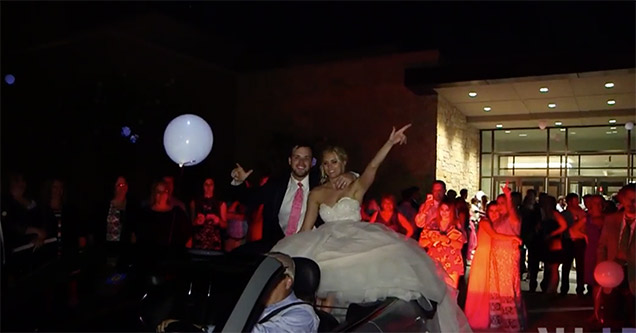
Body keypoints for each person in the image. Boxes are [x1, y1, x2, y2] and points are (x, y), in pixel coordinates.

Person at [271, 125, 471, 332]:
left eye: (335, 162)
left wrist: (390, 143)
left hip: (356, 241)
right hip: (326, 242)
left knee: (343, 298)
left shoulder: (355, 186)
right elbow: (305, 228)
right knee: (321, 294)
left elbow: (373, 167)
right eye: (326, 163)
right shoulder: (317, 193)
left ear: (343, 163)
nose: (330, 167)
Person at [230, 143, 357, 253]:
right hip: (277, 246)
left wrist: (352, 175)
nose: (301, 163)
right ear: (290, 160)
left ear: (312, 162)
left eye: (306, 158)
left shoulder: (320, 183)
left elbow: (341, 175)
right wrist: (239, 182)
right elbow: (250, 199)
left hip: (313, 248)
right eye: (297, 157)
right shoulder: (276, 185)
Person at [157, 252, 320, 333]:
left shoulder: (303, 315)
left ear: (288, 282)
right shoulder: (251, 304)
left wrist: (200, 329)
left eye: (270, 275)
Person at [465, 194, 526, 331]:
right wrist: (513, 238)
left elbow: (512, 219)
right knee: (480, 289)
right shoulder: (485, 222)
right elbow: (494, 236)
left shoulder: (500, 222)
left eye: (496, 210)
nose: (494, 213)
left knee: (491, 290)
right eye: (491, 211)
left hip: (493, 258)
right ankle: (476, 318)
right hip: (483, 258)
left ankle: (491, 319)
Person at [596, 183, 635, 327]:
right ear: (622, 200)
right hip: (611, 275)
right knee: (611, 318)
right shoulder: (612, 220)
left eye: (635, 200)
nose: (631, 204)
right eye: (628, 199)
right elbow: (602, 247)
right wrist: (602, 269)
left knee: (632, 319)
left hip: (634, 276)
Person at [419, 197, 466, 288]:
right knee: (434, 289)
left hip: (452, 261)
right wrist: (432, 240)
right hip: (435, 261)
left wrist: (447, 240)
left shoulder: (456, 224)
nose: (444, 212)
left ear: (451, 211)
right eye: (442, 209)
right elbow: (421, 242)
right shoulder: (432, 223)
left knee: (451, 291)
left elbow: (460, 244)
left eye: (447, 210)